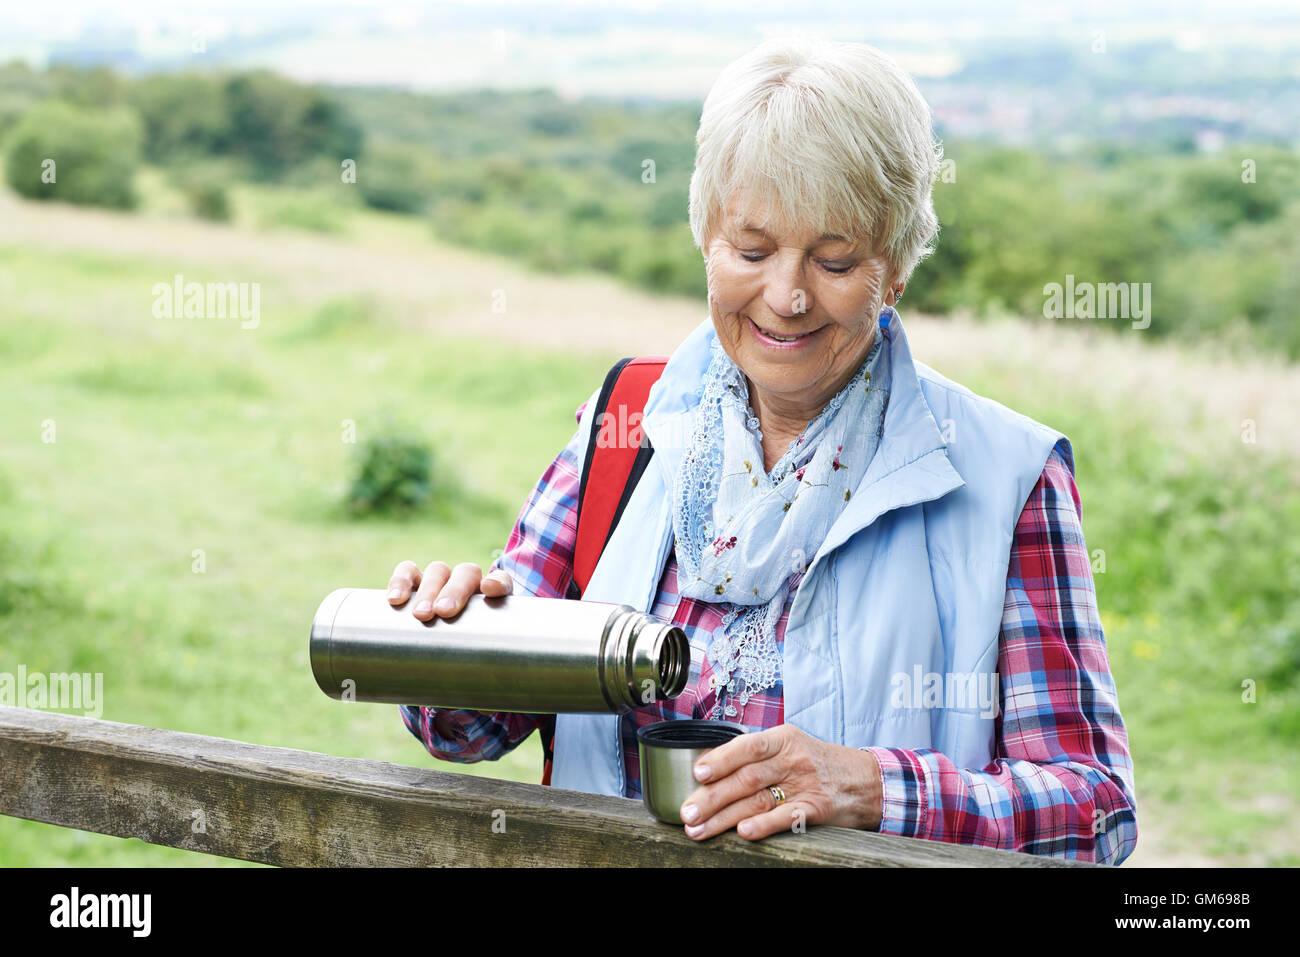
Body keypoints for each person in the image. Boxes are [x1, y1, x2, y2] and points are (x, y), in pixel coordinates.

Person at [388, 37, 1137, 864]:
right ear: (706, 238)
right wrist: (445, 640)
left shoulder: (1007, 476)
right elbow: (475, 729)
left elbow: (1095, 809)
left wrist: (870, 787)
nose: (786, 296)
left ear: (894, 269)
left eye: (835, 258)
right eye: (752, 252)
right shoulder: (626, 422)